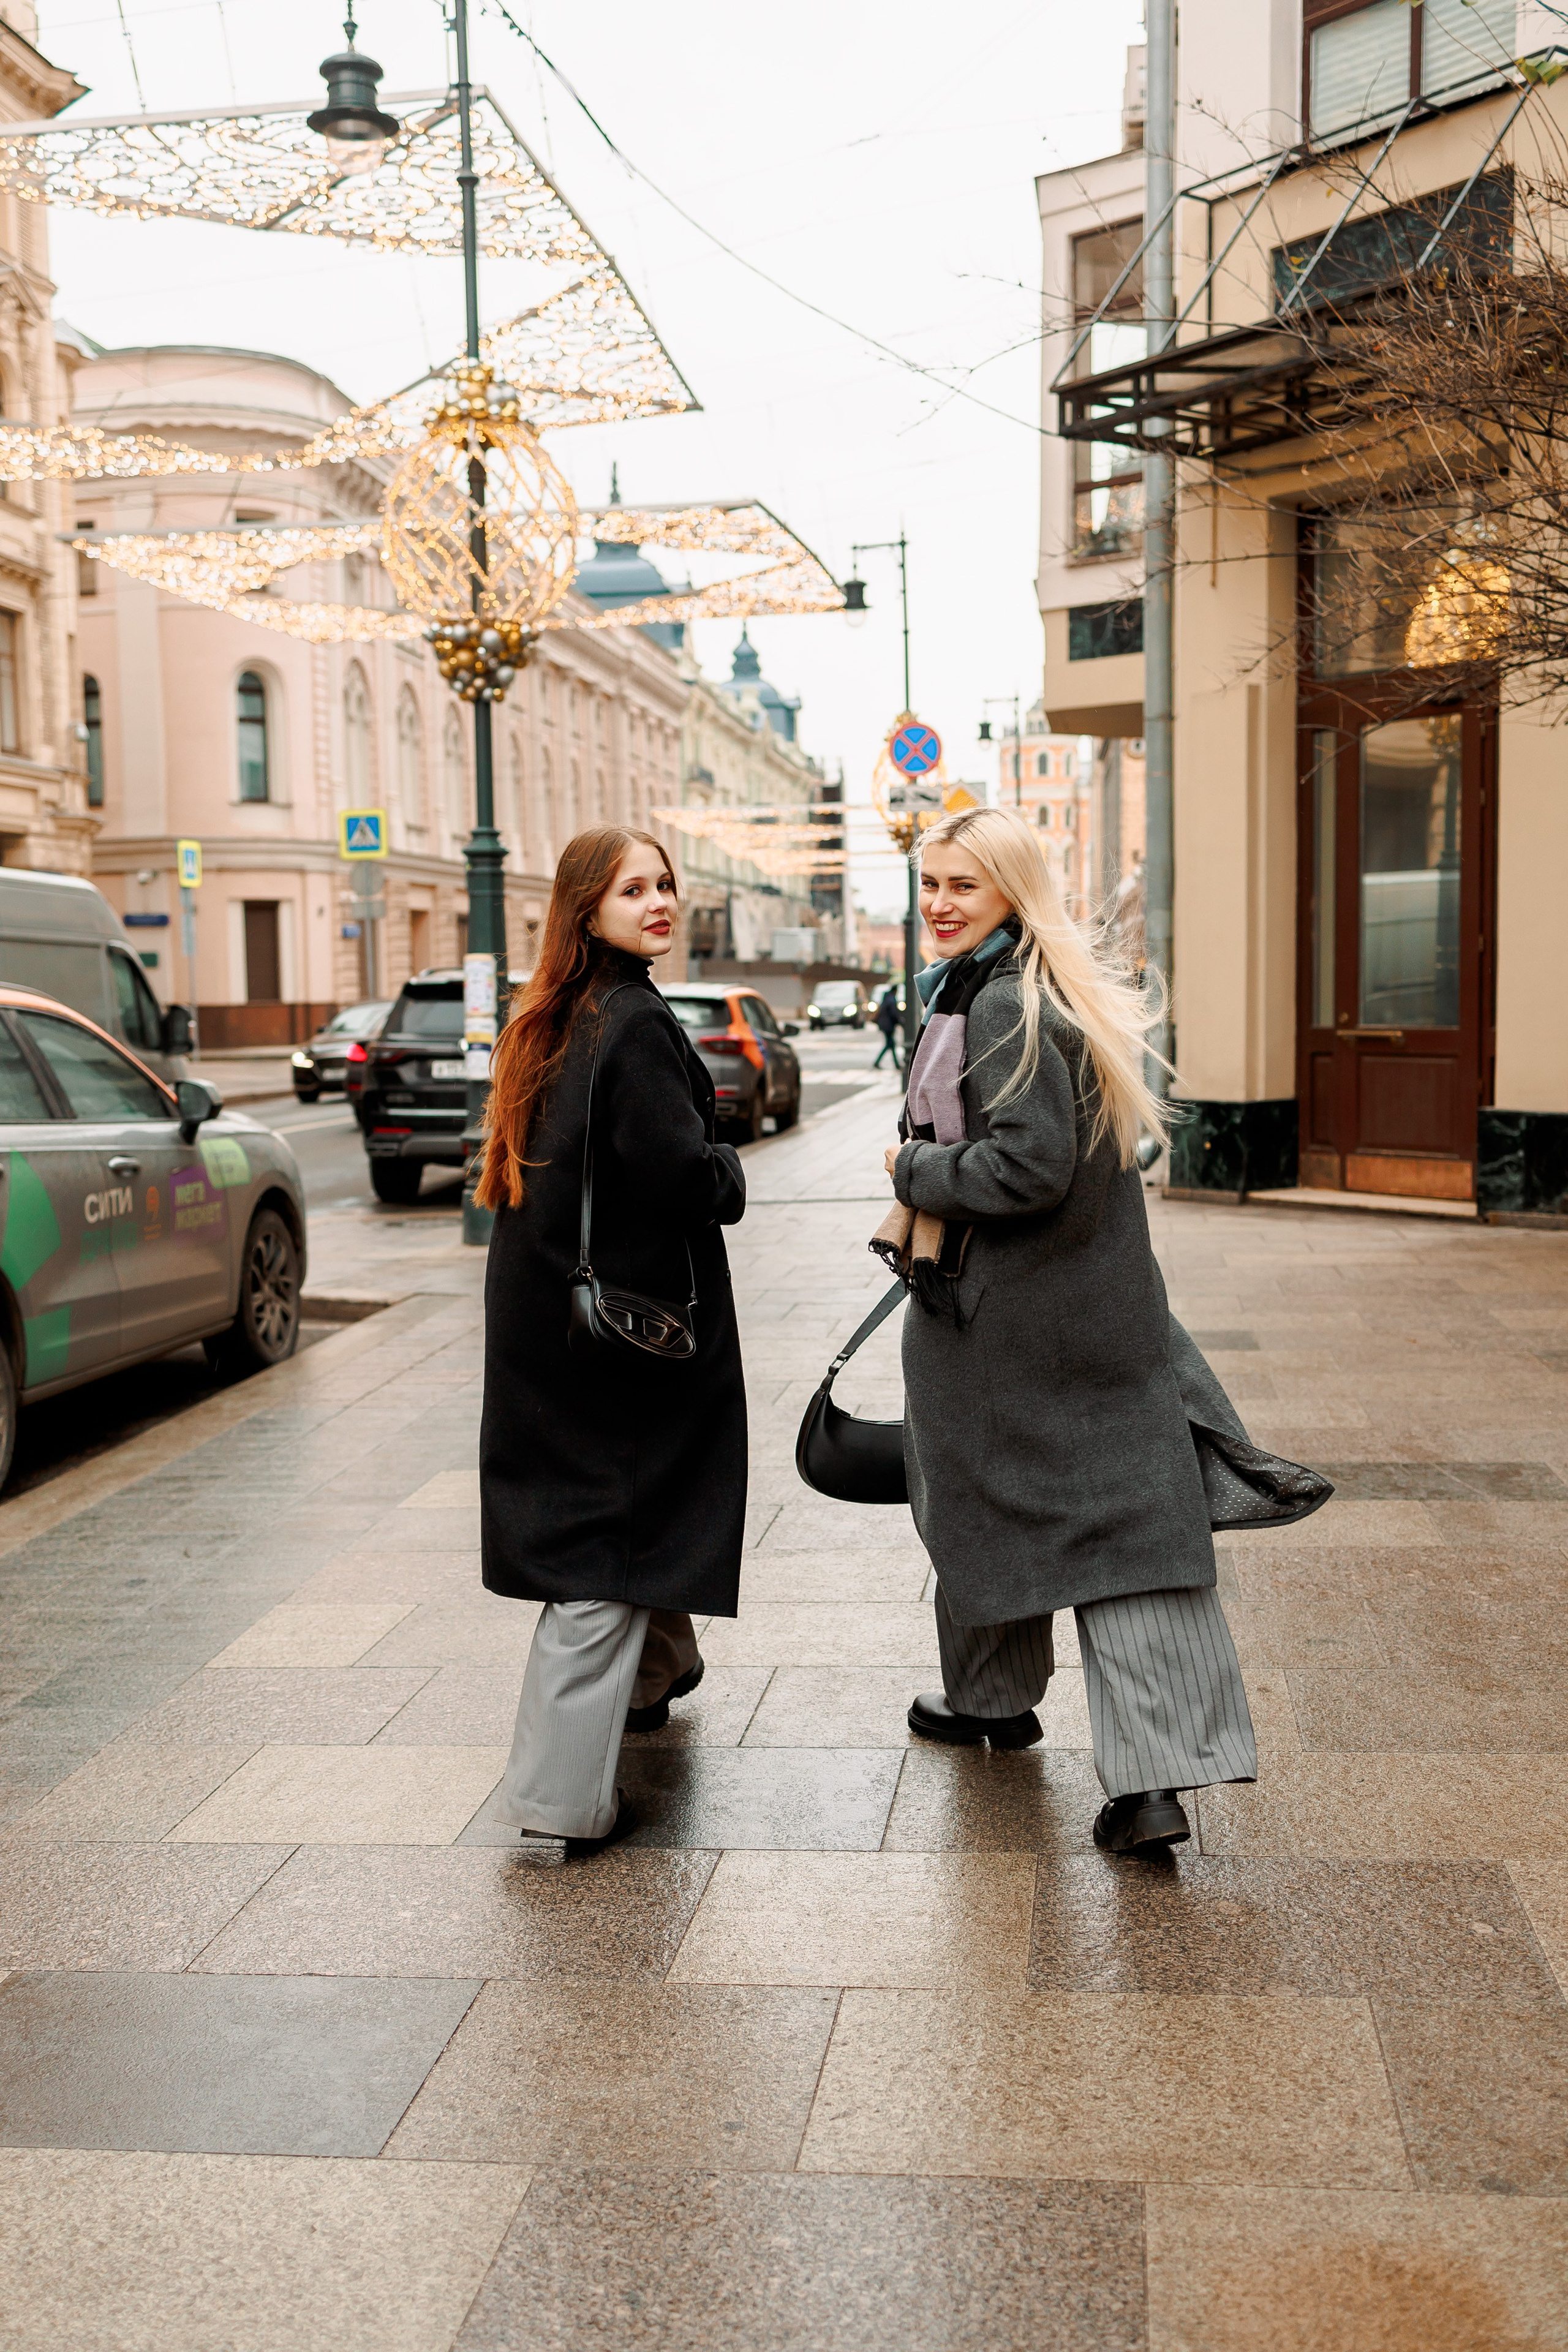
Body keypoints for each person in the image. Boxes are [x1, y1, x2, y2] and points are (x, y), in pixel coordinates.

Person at [878, 805, 1256, 1854]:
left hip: (1015, 1326)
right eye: (932, 883)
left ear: (1013, 890)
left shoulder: (1003, 1003)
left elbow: (1027, 1165)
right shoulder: (1024, 986)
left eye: (964, 884)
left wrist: (913, 1172)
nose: (941, 903)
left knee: (1047, 1523)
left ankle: (1103, 1761)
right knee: (1079, 1526)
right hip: (1079, 1313)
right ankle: (1039, 1724)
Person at [476, 826, 747, 1861]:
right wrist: (727, 1165)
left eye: (667, 884)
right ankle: (555, 1804)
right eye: (633, 889)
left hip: (553, 1320)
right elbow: (687, 1177)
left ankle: (659, 1669)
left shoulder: (557, 1012)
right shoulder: (632, 1022)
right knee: (607, 1537)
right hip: (625, 1335)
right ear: (586, 907)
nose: (658, 902)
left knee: (636, 1508)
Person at [872, 981, 902, 1071]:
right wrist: (900, 1021)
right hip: (888, 1026)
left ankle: (895, 1064)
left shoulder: (887, 997)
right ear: (895, 991)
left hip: (885, 1025)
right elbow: (894, 1014)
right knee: (890, 1044)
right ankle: (878, 1062)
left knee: (891, 1045)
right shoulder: (892, 1000)